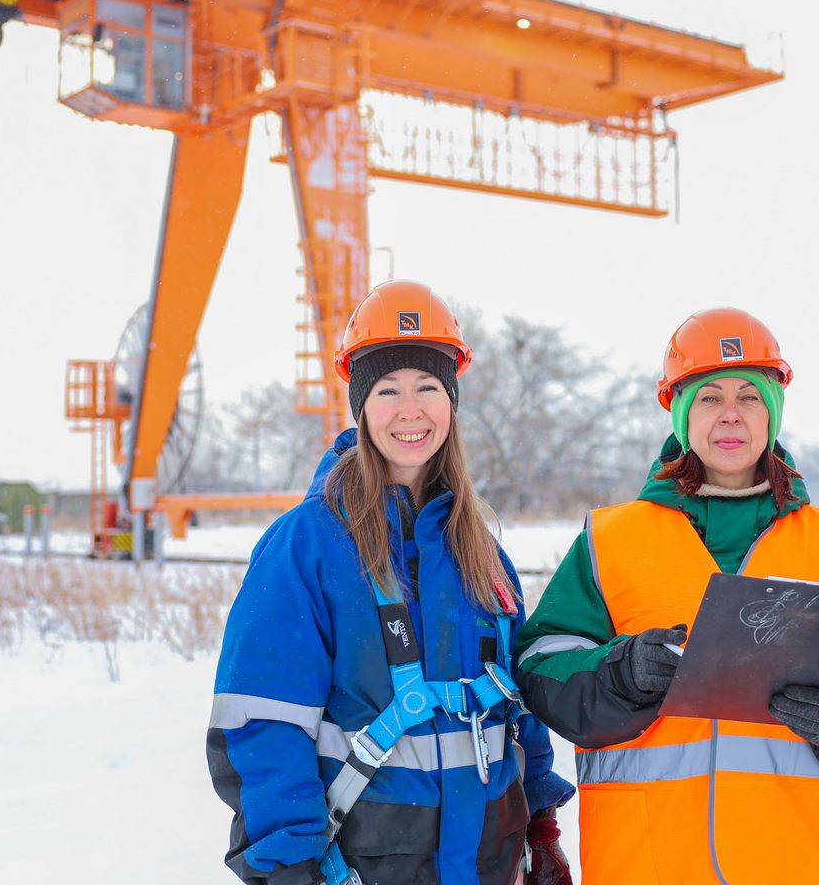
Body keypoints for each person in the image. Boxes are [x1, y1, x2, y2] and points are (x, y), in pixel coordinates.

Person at [514, 307, 819, 884]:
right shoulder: (609, 542)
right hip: (653, 864)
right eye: (709, 397)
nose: (730, 414)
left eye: (750, 397)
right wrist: (620, 674)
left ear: (773, 412)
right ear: (681, 412)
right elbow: (541, 668)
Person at [207, 280, 575, 885]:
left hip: (488, 863)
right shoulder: (307, 546)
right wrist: (287, 868)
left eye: (428, 386)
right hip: (363, 867)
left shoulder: (481, 553)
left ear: (451, 401)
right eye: (388, 390)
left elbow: (517, 712)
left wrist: (542, 828)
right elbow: (262, 725)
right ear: (360, 405)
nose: (411, 410)